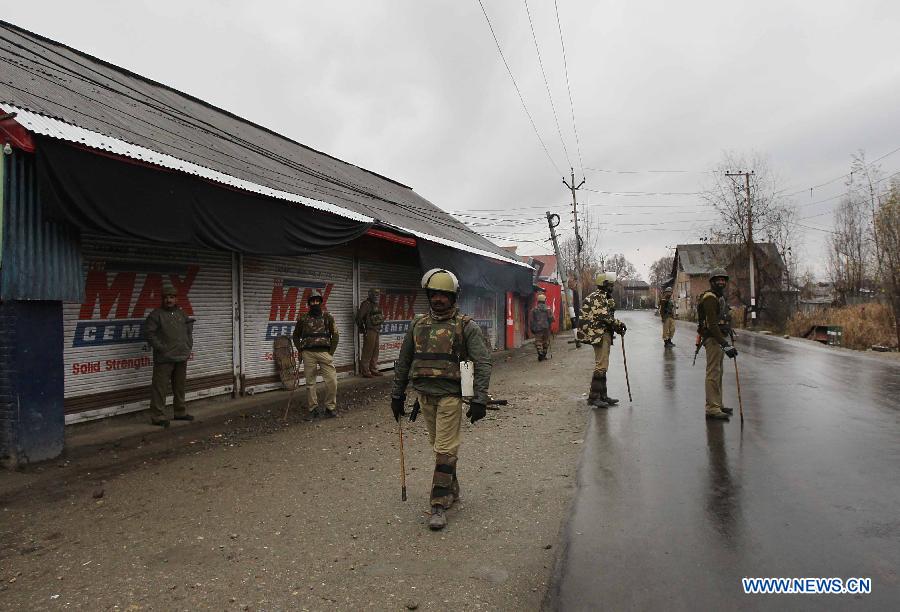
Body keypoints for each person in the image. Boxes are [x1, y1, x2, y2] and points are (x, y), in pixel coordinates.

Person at [391, 268, 492, 531]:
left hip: (450, 397)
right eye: (434, 294)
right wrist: (397, 394)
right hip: (424, 397)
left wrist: (480, 398)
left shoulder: (466, 326)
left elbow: (482, 362)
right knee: (439, 449)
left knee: (445, 450)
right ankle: (452, 489)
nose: (438, 299)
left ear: (453, 297)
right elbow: (404, 362)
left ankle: (437, 505)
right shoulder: (418, 325)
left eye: (443, 295)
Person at [144, 280, 195, 427]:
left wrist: (187, 345)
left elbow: (188, 330)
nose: (169, 300)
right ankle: (158, 416)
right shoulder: (156, 315)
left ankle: (180, 412)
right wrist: (162, 348)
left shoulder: (181, 314)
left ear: (176, 299)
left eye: (172, 297)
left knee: (179, 386)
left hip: (181, 356)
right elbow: (149, 334)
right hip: (164, 358)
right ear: (162, 299)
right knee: (160, 388)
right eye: (166, 297)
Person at [579, 272, 626, 409]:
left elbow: (607, 315)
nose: (612, 286)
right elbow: (604, 316)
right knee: (601, 365)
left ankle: (603, 396)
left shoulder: (604, 297)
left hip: (603, 333)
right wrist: (619, 325)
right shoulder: (598, 297)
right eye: (610, 284)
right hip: (598, 334)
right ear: (605, 284)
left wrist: (616, 327)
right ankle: (594, 397)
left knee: (603, 365)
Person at [697, 268, 737, 421]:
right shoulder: (710, 298)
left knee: (719, 372)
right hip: (713, 339)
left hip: (719, 337)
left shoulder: (719, 297)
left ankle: (718, 404)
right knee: (713, 372)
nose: (721, 282)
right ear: (712, 282)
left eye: (723, 280)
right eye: (718, 280)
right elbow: (712, 325)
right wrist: (725, 344)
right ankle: (712, 408)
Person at [293, 293, 340, 419]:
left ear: (320, 302)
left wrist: (331, 352)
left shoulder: (328, 317)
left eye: (317, 301)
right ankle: (313, 409)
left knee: (332, 382)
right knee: (310, 383)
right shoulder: (303, 318)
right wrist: (300, 350)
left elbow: (335, 335)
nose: (315, 303)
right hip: (308, 354)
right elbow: (295, 336)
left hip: (325, 353)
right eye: (312, 301)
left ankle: (330, 407)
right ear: (309, 303)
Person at [356, 288, 384, 377]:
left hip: (376, 330)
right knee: (367, 351)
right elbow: (359, 318)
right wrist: (363, 329)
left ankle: (373, 369)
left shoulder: (376, 304)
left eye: (378, 294)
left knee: (375, 351)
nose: (377, 296)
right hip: (369, 330)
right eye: (375, 294)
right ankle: (365, 371)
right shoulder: (366, 304)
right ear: (370, 294)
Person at [530, 293, 554, 360]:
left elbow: (531, 320)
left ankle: (540, 352)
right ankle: (544, 353)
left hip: (537, 328)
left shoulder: (534, 309)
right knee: (545, 341)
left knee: (538, 341)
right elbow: (552, 319)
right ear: (544, 300)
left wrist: (532, 328)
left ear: (538, 300)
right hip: (546, 327)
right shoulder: (548, 309)